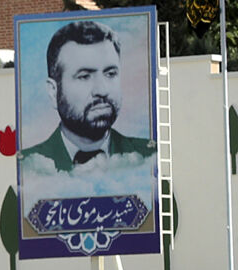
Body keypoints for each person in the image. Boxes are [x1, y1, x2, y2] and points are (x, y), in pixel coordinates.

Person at [19, 20, 154, 171]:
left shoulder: (149, 160)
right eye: (84, 76)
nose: (102, 90)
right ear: (53, 91)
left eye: (110, 74)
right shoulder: (27, 170)